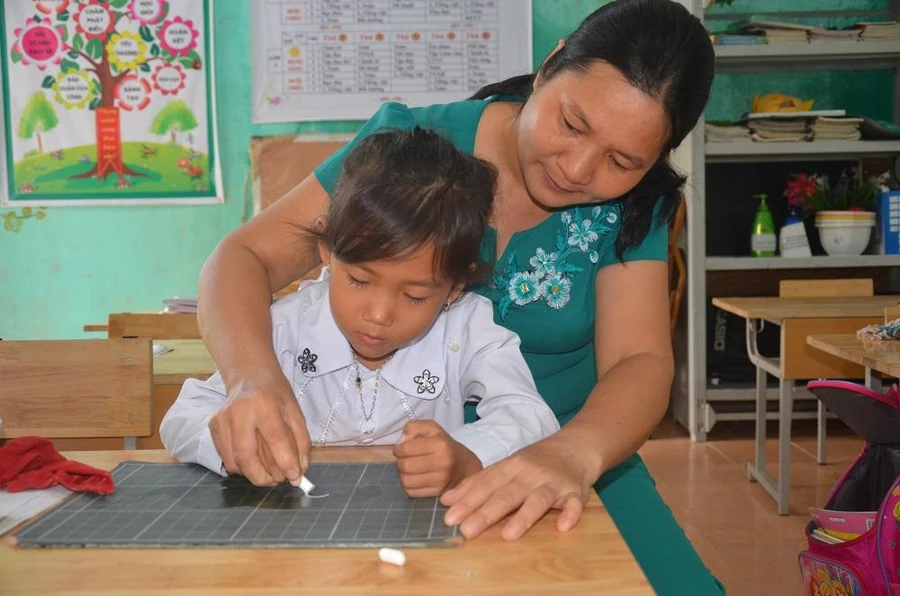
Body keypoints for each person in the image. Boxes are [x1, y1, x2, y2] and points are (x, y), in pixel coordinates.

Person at [197, 0, 723, 592]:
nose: (577, 169)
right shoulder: (414, 148)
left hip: (572, 453)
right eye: (573, 124)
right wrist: (252, 380)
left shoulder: (635, 204)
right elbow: (242, 257)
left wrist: (574, 455)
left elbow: (640, 361)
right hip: (402, 459)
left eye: (623, 160)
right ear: (548, 67)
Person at [161, 128, 559, 496]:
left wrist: (467, 455)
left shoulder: (467, 328)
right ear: (326, 252)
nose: (379, 315)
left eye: (416, 296)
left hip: (425, 540)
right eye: (359, 281)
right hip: (300, 541)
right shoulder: (286, 324)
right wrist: (237, 445)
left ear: (455, 287)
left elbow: (529, 414)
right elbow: (181, 418)